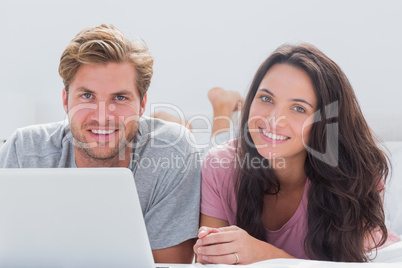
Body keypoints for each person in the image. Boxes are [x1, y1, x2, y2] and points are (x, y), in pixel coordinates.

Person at [0, 24, 200, 264]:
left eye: (120, 97)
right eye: (87, 96)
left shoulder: (172, 152)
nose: (103, 115)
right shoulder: (24, 149)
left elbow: (169, 264)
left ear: (143, 103)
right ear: (65, 100)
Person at [193, 43, 400, 264]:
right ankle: (221, 108)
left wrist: (264, 256)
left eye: (299, 108)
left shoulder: (356, 176)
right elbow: (208, 261)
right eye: (266, 98)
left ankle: (222, 106)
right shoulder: (219, 165)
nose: (273, 119)